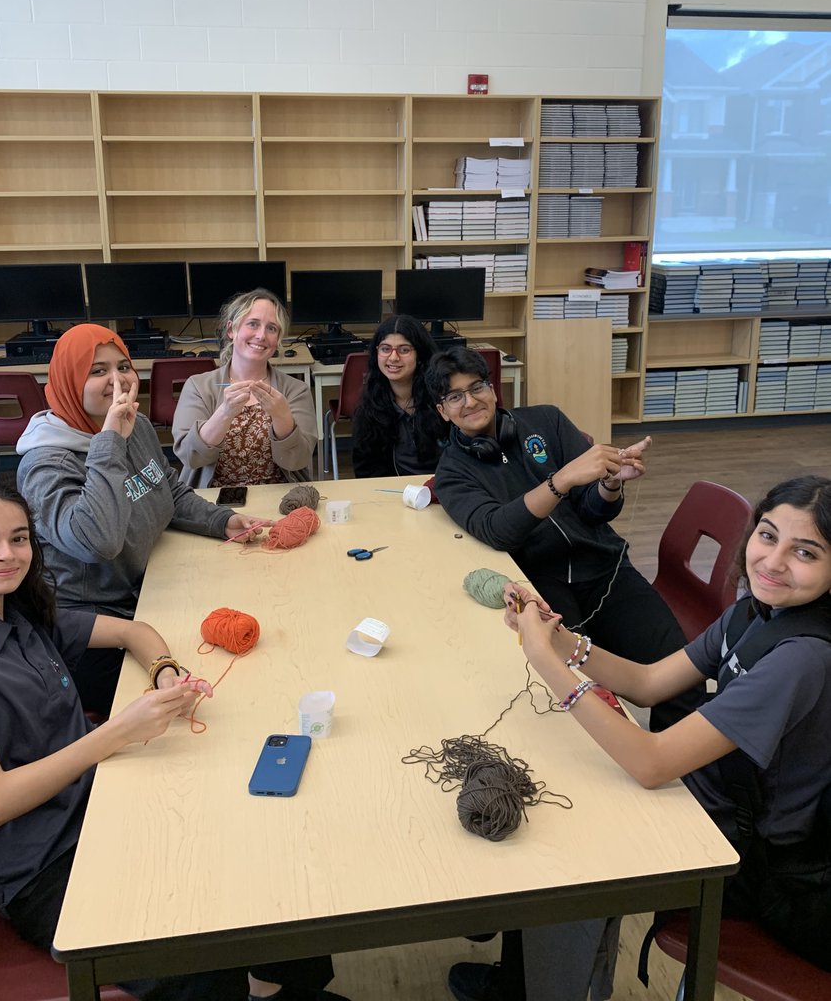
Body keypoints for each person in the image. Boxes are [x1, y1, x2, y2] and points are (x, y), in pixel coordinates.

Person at [0, 479, 345, 1001]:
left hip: (102, 806)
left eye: (19, 538)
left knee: (268, 858)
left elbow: (134, 632)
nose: (8, 555)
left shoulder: (18, 614)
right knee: (197, 960)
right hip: (47, 868)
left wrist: (166, 672)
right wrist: (115, 733)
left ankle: (280, 987)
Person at [491, 474, 831, 992]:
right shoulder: (756, 613)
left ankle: (535, 985)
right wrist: (562, 642)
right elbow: (649, 683)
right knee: (558, 788)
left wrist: (543, 660)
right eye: (767, 535)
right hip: (723, 799)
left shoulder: (804, 656)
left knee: (564, 855)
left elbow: (651, 764)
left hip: (755, 862)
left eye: (804, 552)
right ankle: (516, 976)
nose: (773, 561)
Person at [426, 346, 701, 733]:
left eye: (477, 388)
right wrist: (562, 480)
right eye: (455, 397)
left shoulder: (547, 420)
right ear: (442, 411)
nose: (470, 402)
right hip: (543, 589)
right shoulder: (452, 474)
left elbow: (593, 510)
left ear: (493, 389)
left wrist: (608, 483)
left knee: (681, 676)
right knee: (583, 703)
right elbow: (497, 530)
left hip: (605, 570)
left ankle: (684, 774)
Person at [16, 323, 271, 714]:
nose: (117, 380)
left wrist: (221, 520)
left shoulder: (135, 427)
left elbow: (166, 487)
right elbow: (95, 541)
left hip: (147, 591)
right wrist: (110, 442)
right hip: (90, 630)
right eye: (97, 371)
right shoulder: (46, 463)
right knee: (221, 692)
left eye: (123, 367)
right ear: (69, 381)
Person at [173, 289, 317, 487]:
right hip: (213, 505)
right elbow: (191, 457)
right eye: (253, 324)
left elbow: (297, 461)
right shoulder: (198, 386)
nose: (261, 335)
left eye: (272, 328)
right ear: (231, 330)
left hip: (278, 498)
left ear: (278, 340)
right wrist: (225, 413)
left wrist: (282, 416)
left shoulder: (295, 390)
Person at [351, 314, 447, 478]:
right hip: (396, 494)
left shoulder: (443, 399)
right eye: (385, 349)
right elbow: (365, 470)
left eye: (404, 350)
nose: (393, 357)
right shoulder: (370, 406)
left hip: (445, 488)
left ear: (420, 355)